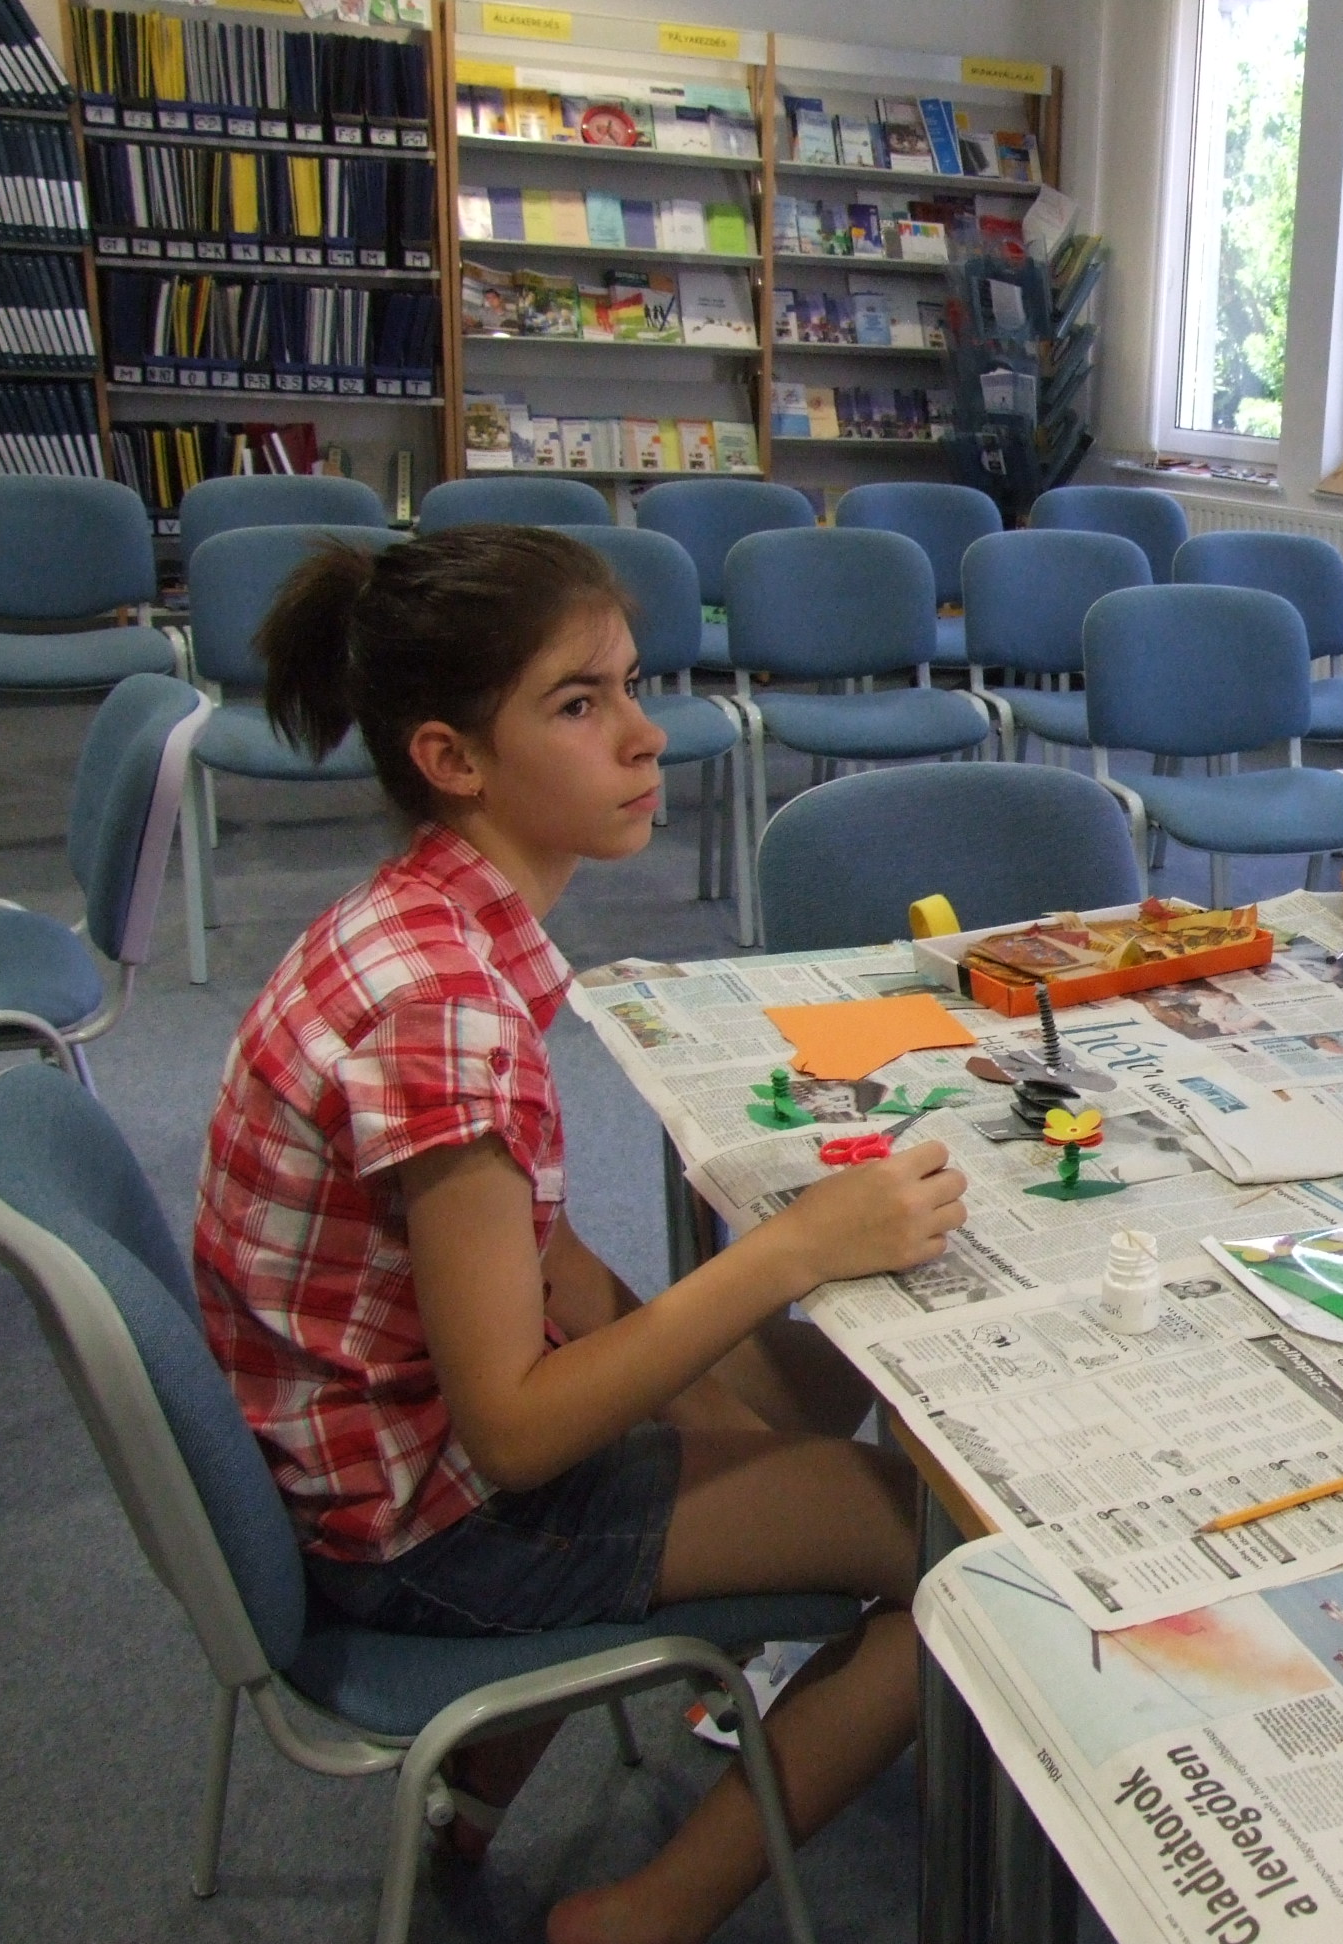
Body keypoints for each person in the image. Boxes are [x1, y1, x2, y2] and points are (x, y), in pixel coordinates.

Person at [192, 527, 965, 1944]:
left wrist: (715, 1398)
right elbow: (516, 1434)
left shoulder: (427, 925)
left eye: (630, 685)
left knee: (825, 1378)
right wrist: (791, 1251)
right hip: (419, 1524)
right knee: (958, 1570)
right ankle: (645, 1915)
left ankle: (476, 1804)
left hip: (372, 1450)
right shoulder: (449, 1014)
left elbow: (540, 1257)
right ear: (453, 759)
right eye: (578, 702)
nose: (643, 734)